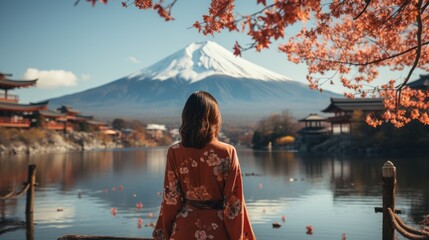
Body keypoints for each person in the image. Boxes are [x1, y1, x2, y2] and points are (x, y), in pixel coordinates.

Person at [153, 91, 256, 240]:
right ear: (215, 119)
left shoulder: (174, 152)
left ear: (186, 117)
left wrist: (163, 233)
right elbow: (234, 203)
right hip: (218, 231)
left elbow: (171, 200)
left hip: (183, 230)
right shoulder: (227, 152)